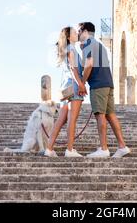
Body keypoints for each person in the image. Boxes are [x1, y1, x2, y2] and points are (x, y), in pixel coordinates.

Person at [78, 22, 131, 158]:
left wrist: (82, 83)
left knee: (100, 115)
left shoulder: (88, 44)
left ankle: (103, 148)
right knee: (110, 114)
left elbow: (89, 64)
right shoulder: (99, 45)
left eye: (79, 31)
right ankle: (122, 146)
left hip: (98, 85)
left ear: (85, 31)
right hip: (108, 82)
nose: (78, 34)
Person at [44, 26, 87, 158]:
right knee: (71, 119)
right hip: (74, 87)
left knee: (61, 120)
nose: (77, 34)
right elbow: (73, 69)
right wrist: (81, 84)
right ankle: (70, 149)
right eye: (75, 32)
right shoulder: (72, 49)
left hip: (66, 88)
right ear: (69, 37)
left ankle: (49, 149)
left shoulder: (67, 49)